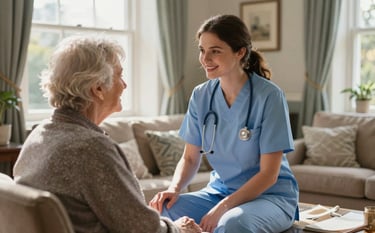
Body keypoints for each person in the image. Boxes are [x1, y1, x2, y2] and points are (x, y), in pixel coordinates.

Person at [13, 35, 202, 233]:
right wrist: (181, 229)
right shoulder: (91, 148)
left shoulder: (40, 134)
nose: (124, 85)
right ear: (98, 88)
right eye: (119, 76)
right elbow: (143, 230)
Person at [149, 14, 299, 233]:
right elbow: (190, 158)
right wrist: (174, 188)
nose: (205, 59)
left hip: (270, 196)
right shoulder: (201, 96)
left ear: (240, 52)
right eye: (202, 50)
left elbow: (269, 175)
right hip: (220, 191)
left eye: (215, 51)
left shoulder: (269, 96)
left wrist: (223, 207)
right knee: (163, 211)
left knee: (232, 223)